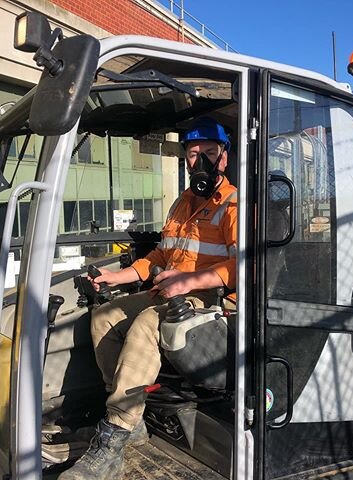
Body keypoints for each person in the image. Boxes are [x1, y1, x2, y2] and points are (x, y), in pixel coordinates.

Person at [58, 117, 237, 479]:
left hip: (212, 298)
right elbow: (159, 257)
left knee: (144, 326)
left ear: (224, 160)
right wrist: (116, 276)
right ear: (185, 159)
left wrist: (189, 281)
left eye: (209, 153)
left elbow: (245, 266)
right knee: (103, 317)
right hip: (170, 287)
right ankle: (130, 420)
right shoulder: (181, 204)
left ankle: (111, 444)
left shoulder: (234, 205)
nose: (199, 160)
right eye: (192, 153)